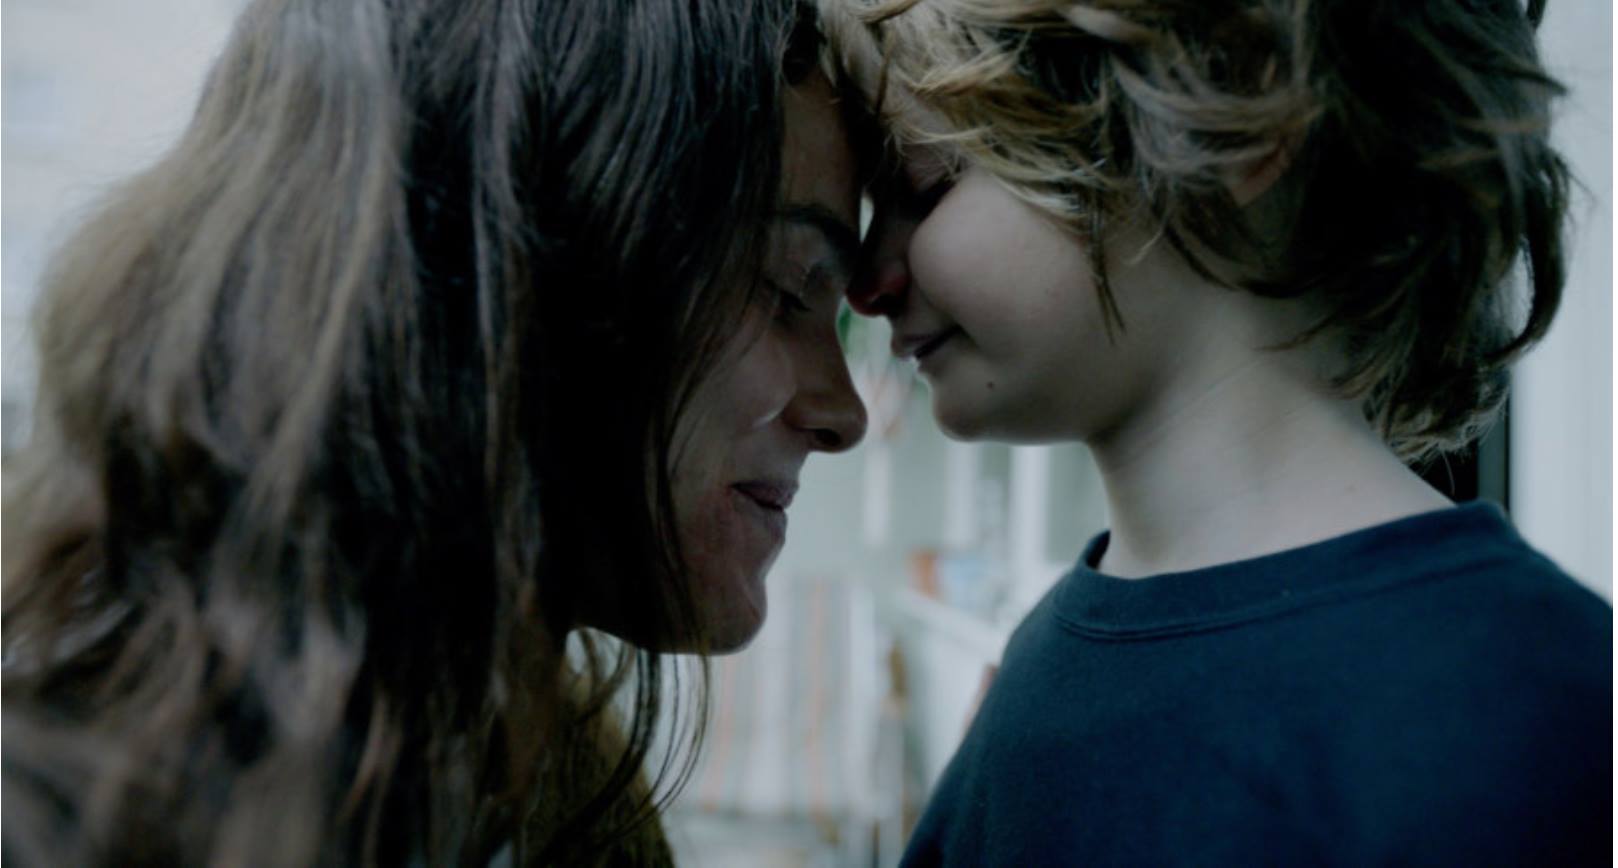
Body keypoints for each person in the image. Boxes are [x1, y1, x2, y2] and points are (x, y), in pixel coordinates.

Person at [2, 1, 866, 865]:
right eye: (788, 287)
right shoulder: (51, 806)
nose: (845, 414)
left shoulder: (561, 796)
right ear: (533, 265)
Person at [822, 0, 1611, 863]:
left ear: (1228, 113)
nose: (867, 284)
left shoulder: (1546, 702)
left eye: (926, 186)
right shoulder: (1043, 664)